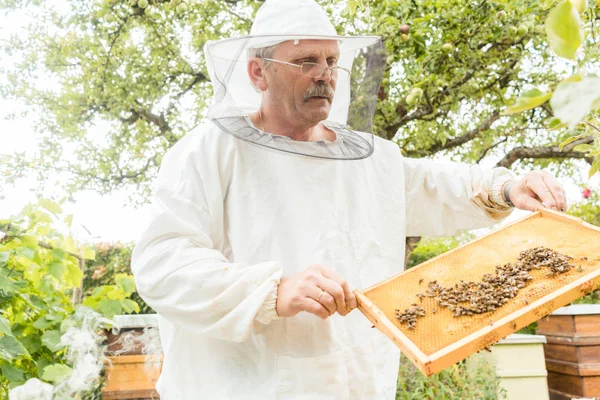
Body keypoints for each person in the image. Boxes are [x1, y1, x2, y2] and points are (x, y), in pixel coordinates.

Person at [131, 0, 566, 398]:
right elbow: (163, 262)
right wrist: (271, 290)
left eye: (331, 61)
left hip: (354, 381)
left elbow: (433, 184)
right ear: (258, 73)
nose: (324, 74)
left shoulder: (370, 158)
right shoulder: (207, 151)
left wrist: (506, 187)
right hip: (243, 383)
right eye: (306, 61)